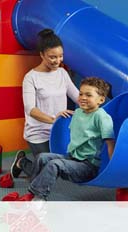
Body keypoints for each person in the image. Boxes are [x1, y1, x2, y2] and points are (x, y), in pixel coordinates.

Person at [11, 77, 115, 201]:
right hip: (71, 157)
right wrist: (58, 116)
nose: (83, 97)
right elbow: (68, 120)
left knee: (54, 165)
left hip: (87, 166)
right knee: (41, 157)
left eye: (88, 95)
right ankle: (30, 187)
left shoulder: (102, 117)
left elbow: (110, 143)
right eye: (81, 94)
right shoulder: (77, 113)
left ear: (101, 100)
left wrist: (112, 168)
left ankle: (39, 197)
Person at [21, 28, 79, 159]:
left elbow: (77, 97)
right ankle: (22, 163)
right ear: (42, 55)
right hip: (38, 133)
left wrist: (94, 104)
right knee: (47, 167)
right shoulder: (30, 78)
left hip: (58, 130)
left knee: (62, 167)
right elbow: (31, 109)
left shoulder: (62, 73)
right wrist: (54, 120)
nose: (58, 61)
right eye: (52, 57)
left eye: (60, 56)